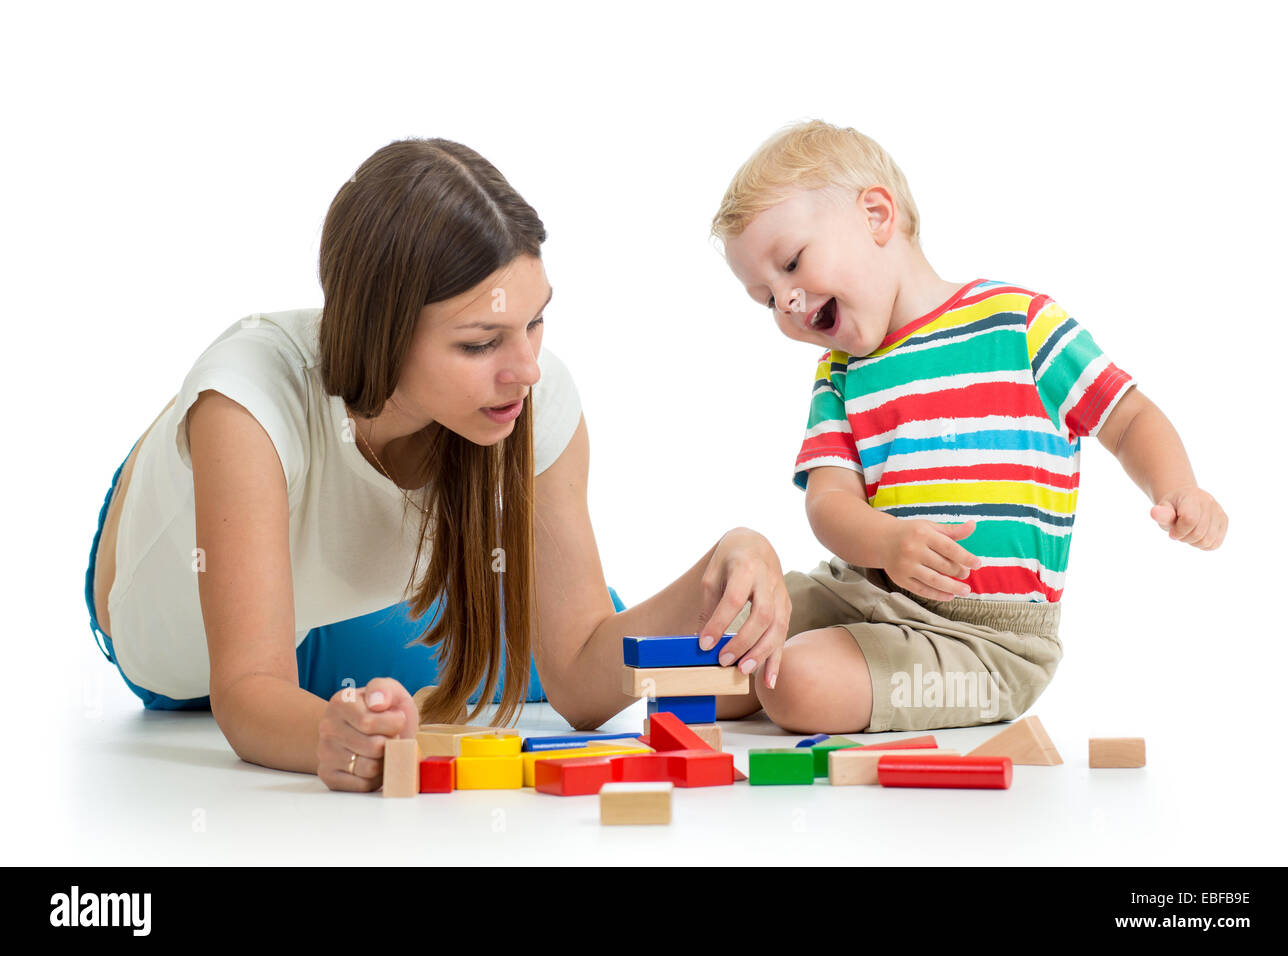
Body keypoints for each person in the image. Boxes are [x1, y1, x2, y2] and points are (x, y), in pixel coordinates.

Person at [85, 137, 791, 792]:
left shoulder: (531, 400)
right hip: (177, 644)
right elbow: (243, 691)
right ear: (382, 335)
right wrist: (333, 738)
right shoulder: (247, 407)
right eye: (482, 343)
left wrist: (725, 563)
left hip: (341, 596)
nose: (527, 371)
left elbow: (579, 676)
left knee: (557, 644)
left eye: (535, 321)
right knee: (492, 658)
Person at [712, 119, 1228, 735]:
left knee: (793, 682)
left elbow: (1128, 416)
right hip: (860, 592)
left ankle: (821, 674)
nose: (788, 303)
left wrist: (1178, 489)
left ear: (877, 215)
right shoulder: (840, 374)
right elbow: (828, 503)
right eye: (766, 298)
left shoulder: (1019, 325)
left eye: (792, 263)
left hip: (985, 639)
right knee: (706, 651)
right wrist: (885, 544)